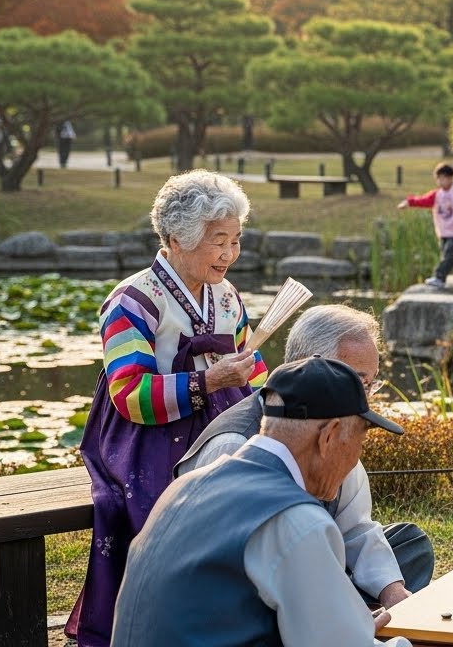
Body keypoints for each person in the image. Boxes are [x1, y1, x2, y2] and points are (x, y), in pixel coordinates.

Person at [68, 170, 267, 647]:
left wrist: (275, 387)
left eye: (235, 241)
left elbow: (250, 365)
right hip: (146, 433)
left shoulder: (227, 296)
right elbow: (130, 395)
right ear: (178, 238)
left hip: (223, 417)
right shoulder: (131, 301)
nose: (229, 254)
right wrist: (210, 380)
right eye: (217, 241)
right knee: (171, 504)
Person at [112, 356, 413, 647]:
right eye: (359, 442)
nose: (356, 458)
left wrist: (345, 628)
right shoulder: (294, 519)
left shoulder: (186, 486)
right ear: (329, 436)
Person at [175, 304, 435, 607]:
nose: (364, 397)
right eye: (357, 381)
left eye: (370, 384)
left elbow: (355, 526)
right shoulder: (233, 447)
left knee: (409, 543)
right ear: (311, 367)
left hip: (311, 571)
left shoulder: (336, 426)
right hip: (247, 598)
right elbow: (230, 570)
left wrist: (393, 592)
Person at [398, 162, 453, 288]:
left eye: (443, 178)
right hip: (444, 231)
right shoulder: (436, 195)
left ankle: (439, 277)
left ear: (450, 178)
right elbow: (423, 200)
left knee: (449, 254)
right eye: (438, 179)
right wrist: (408, 202)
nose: (440, 181)